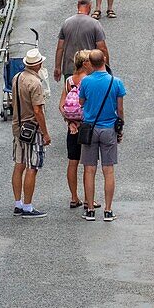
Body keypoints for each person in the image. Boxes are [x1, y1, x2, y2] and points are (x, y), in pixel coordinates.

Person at [77, 49, 126, 222]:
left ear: (89, 62)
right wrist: (120, 128)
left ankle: (90, 209)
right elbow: (120, 109)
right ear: (104, 59)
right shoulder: (116, 82)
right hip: (108, 129)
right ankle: (108, 210)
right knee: (108, 170)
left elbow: (81, 102)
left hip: (90, 129)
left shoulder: (86, 82)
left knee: (89, 170)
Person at [10, 49, 52, 218]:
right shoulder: (35, 83)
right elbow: (38, 110)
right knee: (32, 167)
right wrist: (45, 132)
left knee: (19, 164)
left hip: (17, 126)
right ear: (38, 64)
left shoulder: (17, 77)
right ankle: (27, 206)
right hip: (32, 129)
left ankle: (17, 203)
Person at [58, 50, 99, 209]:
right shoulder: (89, 81)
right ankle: (89, 200)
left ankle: (74, 197)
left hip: (72, 128)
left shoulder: (69, 81)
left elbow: (61, 105)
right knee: (88, 165)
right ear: (85, 63)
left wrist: (70, 122)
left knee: (72, 162)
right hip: (87, 127)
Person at [53, 0, 109, 82]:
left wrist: (57, 67)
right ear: (90, 6)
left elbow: (60, 48)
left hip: (70, 69)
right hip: (89, 69)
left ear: (77, 6)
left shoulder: (66, 23)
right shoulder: (95, 24)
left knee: (71, 93)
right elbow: (102, 48)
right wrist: (106, 67)